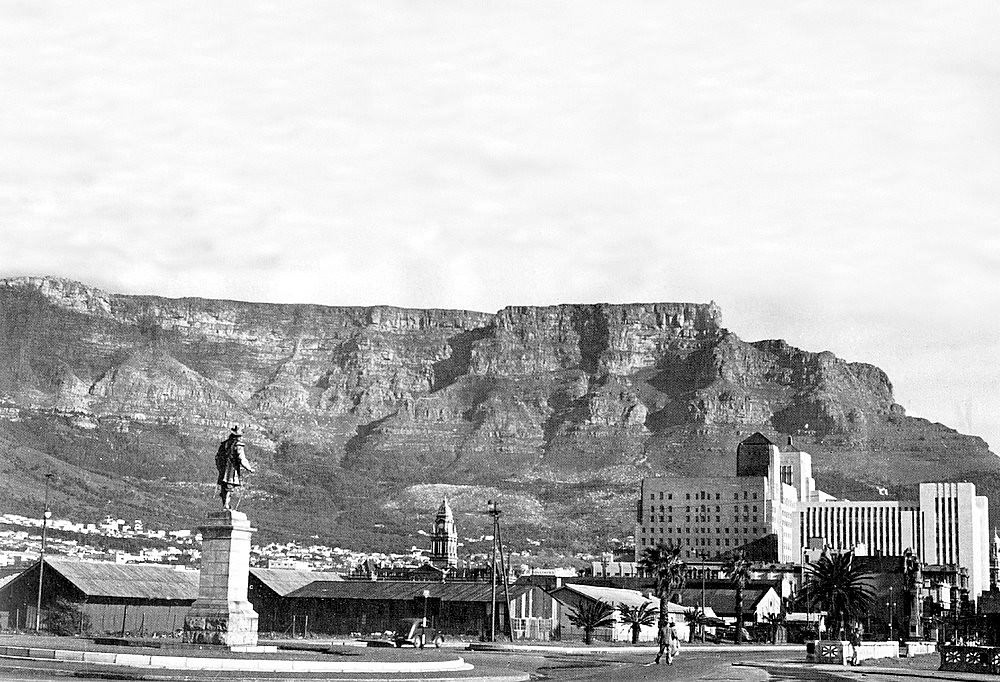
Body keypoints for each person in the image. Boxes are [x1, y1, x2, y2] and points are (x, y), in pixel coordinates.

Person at [215, 425, 255, 509]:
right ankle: (226, 504)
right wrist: (249, 468)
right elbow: (242, 459)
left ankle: (225, 504)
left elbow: (217, 457)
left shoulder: (224, 444)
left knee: (224, 486)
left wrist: (220, 467)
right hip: (231, 468)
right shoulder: (238, 445)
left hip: (223, 468)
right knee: (229, 486)